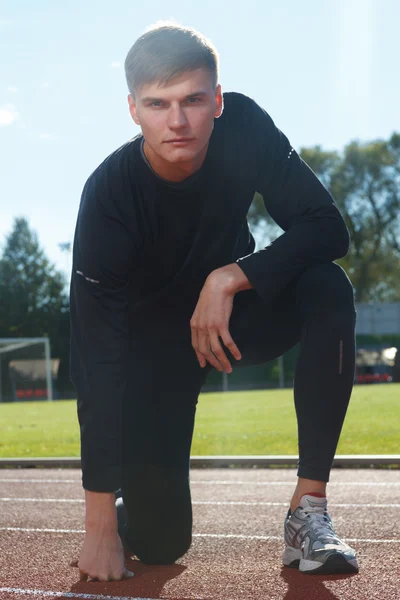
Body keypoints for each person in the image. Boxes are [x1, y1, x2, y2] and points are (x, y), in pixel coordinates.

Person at [70, 22, 359, 582]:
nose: (177, 121)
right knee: (161, 546)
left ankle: (308, 513)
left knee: (325, 284)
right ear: (132, 109)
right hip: (152, 357)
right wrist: (99, 525)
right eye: (158, 104)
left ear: (218, 100)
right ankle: (139, 505)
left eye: (193, 100)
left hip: (229, 321)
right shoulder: (108, 197)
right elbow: (95, 359)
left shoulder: (244, 126)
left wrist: (229, 277)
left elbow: (326, 228)